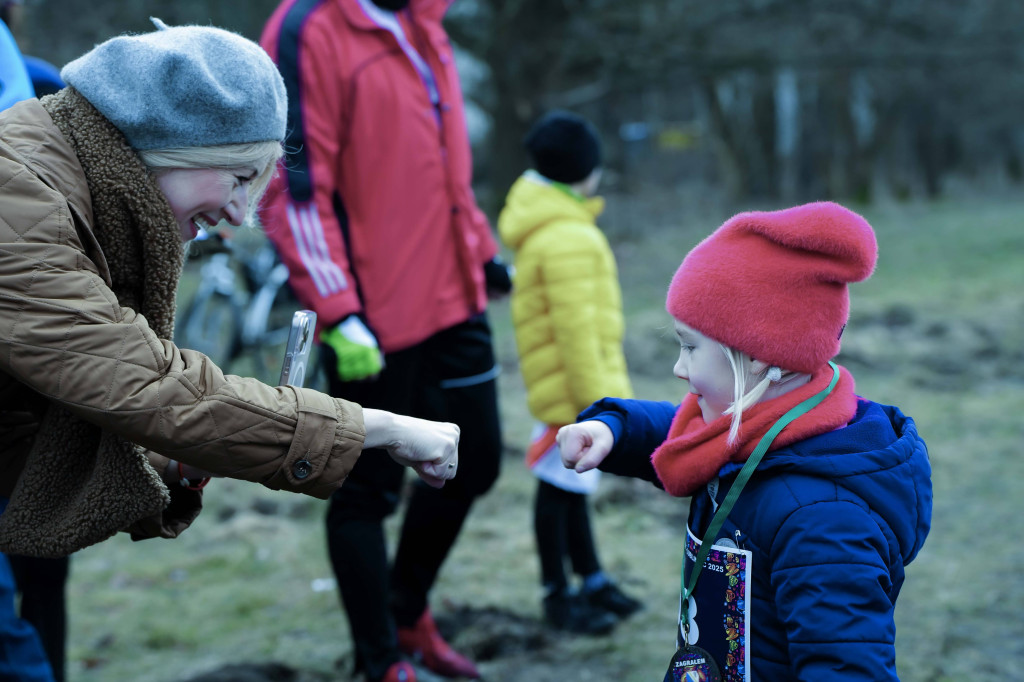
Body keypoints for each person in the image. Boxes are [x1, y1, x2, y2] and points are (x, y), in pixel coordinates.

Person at [0, 20, 463, 564]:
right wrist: (373, 427)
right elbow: (143, 383)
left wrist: (179, 462)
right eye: (238, 176)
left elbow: (46, 400)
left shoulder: (59, 188)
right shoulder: (18, 205)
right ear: (169, 145)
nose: (240, 214)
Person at [557, 202, 933, 680]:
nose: (679, 366)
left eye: (690, 346)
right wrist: (614, 429)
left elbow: (847, 666)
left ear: (755, 356)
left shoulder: (823, 521)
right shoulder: (757, 428)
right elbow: (685, 437)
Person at [258, 1, 508, 680]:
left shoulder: (425, 20)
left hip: (454, 292)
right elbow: (296, 183)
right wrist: (339, 308)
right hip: (368, 310)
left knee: (476, 459)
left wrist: (481, 249)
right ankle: (379, 660)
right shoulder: (309, 25)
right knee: (367, 489)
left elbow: (441, 168)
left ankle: (407, 610)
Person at [496, 110, 642, 636]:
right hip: (575, 396)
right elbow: (579, 334)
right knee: (558, 492)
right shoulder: (569, 237)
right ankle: (558, 594)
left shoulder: (553, 226)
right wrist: (604, 408)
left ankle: (592, 578)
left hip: (563, 389)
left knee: (570, 491)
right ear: (585, 171)